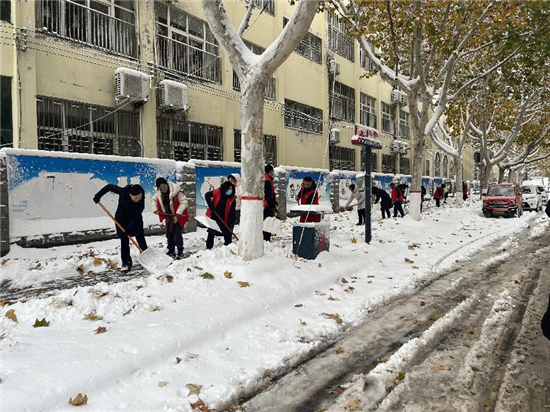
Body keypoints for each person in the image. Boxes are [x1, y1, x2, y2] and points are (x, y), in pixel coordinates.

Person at [93, 184, 147, 272]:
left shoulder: (141, 202)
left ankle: (146, 259)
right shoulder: (123, 192)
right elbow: (109, 187)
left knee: (140, 238)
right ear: (130, 194)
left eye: (139, 197)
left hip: (135, 220)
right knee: (124, 241)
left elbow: (136, 216)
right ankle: (126, 263)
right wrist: (98, 196)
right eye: (135, 197)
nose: (137, 200)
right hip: (121, 220)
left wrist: (128, 229)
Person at [151, 177, 188, 260]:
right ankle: (171, 250)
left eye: (164, 186)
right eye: (161, 187)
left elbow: (184, 202)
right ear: (158, 188)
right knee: (169, 234)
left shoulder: (176, 191)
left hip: (177, 217)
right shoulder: (158, 194)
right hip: (168, 218)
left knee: (177, 234)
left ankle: (180, 251)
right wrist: (155, 209)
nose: (163, 188)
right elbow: (153, 200)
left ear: (167, 184)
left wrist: (179, 212)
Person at [205, 181, 237, 249]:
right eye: (228, 189)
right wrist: (211, 205)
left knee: (227, 231)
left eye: (231, 189)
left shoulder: (233, 198)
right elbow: (207, 195)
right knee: (211, 231)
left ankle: (228, 246)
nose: (230, 191)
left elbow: (232, 212)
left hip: (226, 217)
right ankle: (209, 247)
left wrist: (230, 222)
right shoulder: (217, 192)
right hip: (215, 215)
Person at [263, 165, 278, 241]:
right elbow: (268, 196)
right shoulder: (267, 181)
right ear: (269, 172)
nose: (273, 173)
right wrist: (272, 206)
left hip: (265, 205)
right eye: (272, 171)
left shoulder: (267, 180)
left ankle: (265, 237)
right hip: (267, 206)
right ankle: (266, 238)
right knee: (267, 222)